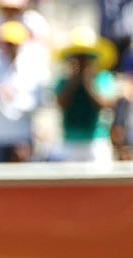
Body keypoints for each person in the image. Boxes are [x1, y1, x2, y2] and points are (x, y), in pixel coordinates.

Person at [0, 20, 47, 162]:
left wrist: (13, 100)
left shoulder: (32, 67)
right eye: (7, 43)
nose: (10, 48)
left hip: (22, 136)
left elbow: (38, 102)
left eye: (13, 44)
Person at [54, 26, 118, 162]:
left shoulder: (102, 79)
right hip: (70, 142)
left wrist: (88, 84)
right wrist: (73, 82)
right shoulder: (64, 82)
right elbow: (60, 104)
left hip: (96, 141)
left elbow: (104, 104)